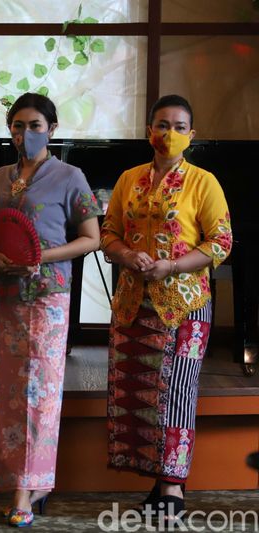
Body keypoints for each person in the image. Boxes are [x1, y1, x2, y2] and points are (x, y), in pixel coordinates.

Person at [0, 93, 101, 528]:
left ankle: (28, 487)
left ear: (52, 128)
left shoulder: (70, 176)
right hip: (3, 295)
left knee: (39, 392)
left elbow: (92, 238)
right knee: (4, 390)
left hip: (47, 295)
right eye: (17, 125)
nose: (25, 133)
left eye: (34, 125)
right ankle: (15, 479)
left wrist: (41, 256)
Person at [101, 94, 232, 520]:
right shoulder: (128, 179)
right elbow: (109, 234)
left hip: (184, 306)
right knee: (139, 393)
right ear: (148, 131)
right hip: (133, 304)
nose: (168, 134)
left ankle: (173, 485)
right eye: (161, 125)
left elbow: (221, 243)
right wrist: (126, 255)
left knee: (176, 393)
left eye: (178, 127)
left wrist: (172, 265)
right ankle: (159, 477)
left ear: (190, 136)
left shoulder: (203, 182)